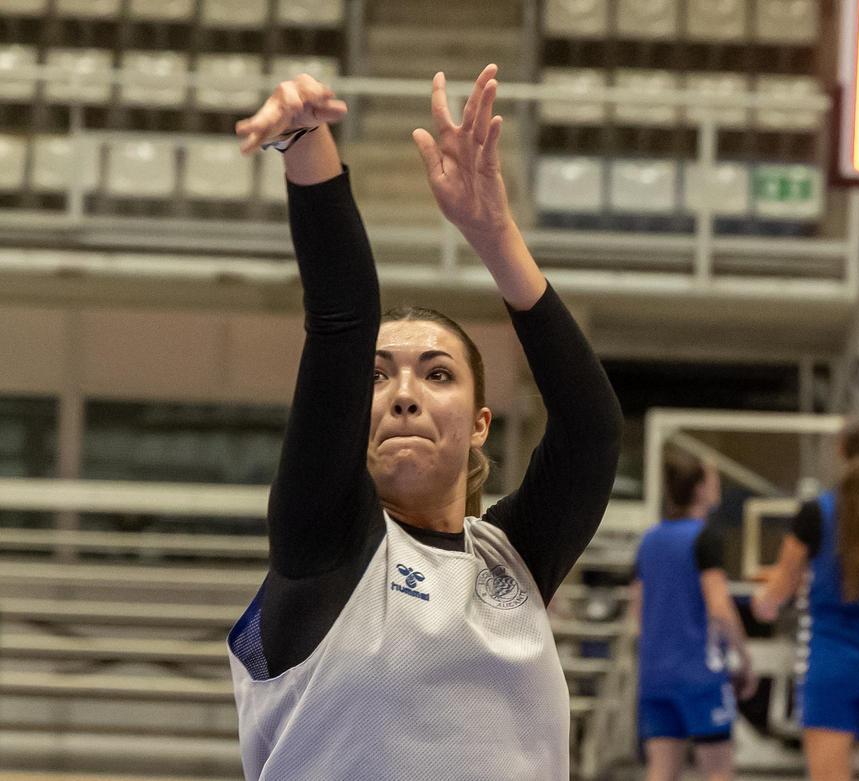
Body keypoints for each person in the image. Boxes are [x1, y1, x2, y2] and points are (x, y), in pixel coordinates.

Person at [224, 66, 622, 779]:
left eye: (437, 373)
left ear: (478, 423)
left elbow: (592, 429)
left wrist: (495, 233)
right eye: (379, 376)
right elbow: (341, 314)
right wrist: (307, 143)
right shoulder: (324, 541)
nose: (403, 393)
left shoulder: (514, 560)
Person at [752, 421, 859, 781]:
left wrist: (763, 601)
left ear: (839, 451)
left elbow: (780, 591)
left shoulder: (815, 513)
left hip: (831, 658)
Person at [632, 450, 756, 781]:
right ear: (700, 488)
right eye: (713, 479)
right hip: (699, 675)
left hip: (655, 675)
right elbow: (720, 609)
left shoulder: (650, 540)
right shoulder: (704, 538)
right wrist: (744, 659)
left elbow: (637, 610)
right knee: (717, 769)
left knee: (660, 771)